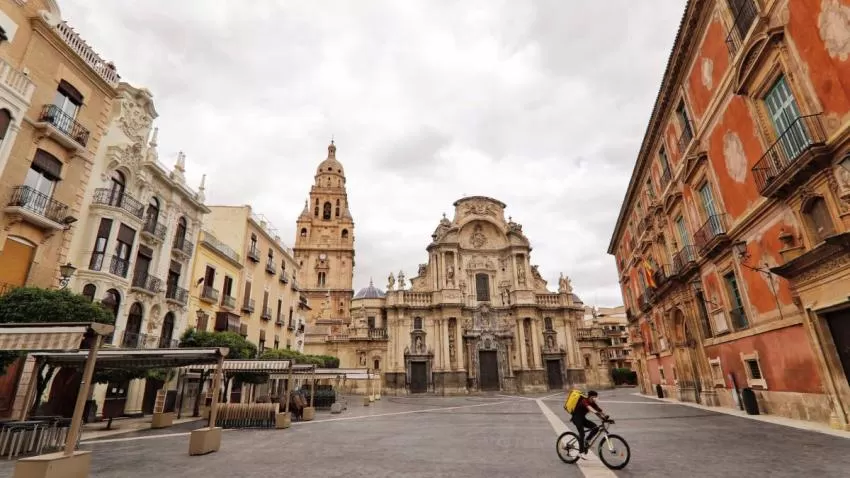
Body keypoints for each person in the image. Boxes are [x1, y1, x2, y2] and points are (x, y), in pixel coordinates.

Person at [570, 390, 609, 457]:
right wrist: (597, 412)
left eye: (596, 397)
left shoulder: (592, 403)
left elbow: (599, 411)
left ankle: (586, 441)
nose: (596, 398)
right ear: (590, 397)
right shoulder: (584, 401)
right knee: (582, 434)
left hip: (583, 419)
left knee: (596, 428)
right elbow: (590, 408)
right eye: (595, 397)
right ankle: (580, 453)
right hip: (576, 418)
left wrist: (605, 417)